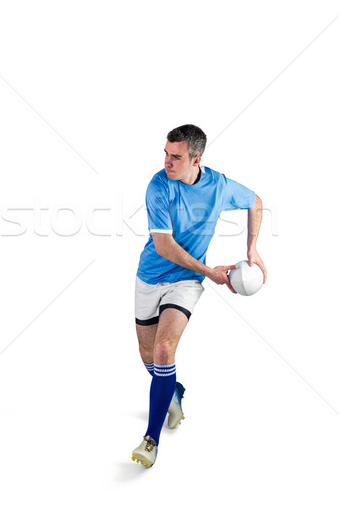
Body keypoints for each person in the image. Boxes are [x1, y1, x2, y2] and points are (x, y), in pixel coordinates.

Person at [131, 124, 267, 467]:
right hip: (150, 276)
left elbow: (255, 201)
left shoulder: (219, 187)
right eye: (165, 153)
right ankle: (173, 391)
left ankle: (151, 440)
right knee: (149, 358)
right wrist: (211, 271)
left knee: (164, 350)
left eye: (176, 156)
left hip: (187, 281)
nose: (167, 162)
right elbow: (163, 246)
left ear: (196, 159)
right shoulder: (158, 186)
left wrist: (251, 249)